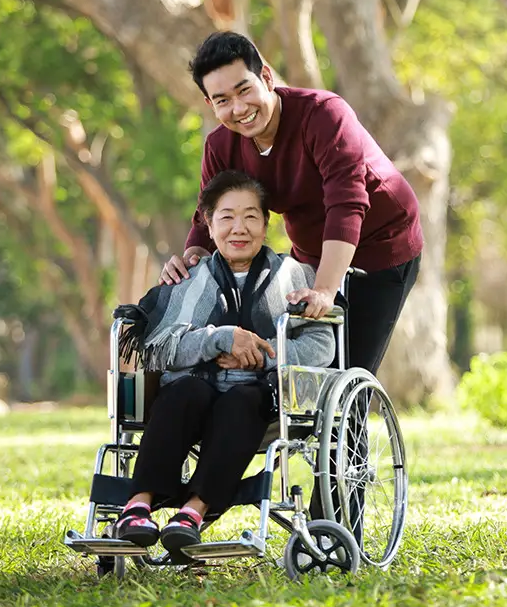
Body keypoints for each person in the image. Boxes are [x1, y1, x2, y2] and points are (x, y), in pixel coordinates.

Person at [160, 31, 423, 378]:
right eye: (222, 100)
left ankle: (349, 433)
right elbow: (208, 217)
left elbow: (346, 205)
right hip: (312, 250)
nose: (239, 109)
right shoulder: (221, 146)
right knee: (298, 370)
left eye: (244, 90)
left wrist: (325, 291)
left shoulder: (324, 115)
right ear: (211, 104)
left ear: (266, 77)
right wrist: (191, 262)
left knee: (346, 370)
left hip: (382, 241)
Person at [113, 170, 335, 555]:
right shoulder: (187, 278)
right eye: (227, 217)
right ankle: (137, 507)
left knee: (242, 401)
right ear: (209, 225)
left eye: (251, 216)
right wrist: (220, 340)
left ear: (266, 224)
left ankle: (192, 513)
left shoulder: (297, 275)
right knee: (183, 391)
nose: (240, 228)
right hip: (191, 397)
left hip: (261, 402)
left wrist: (261, 353)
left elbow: (321, 345)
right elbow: (163, 346)